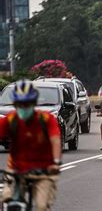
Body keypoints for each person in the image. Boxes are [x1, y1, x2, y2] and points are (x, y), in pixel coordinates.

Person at [0, 80, 61, 211]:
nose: (23, 107)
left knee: (41, 206)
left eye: (27, 104)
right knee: (6, 201)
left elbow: (55, 140)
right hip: (16, 169)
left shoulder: (46, 119)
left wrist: (55, 163)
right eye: (20, 104)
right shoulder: (11, 120)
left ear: (34, 103)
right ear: (15, 104)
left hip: (44, 170)